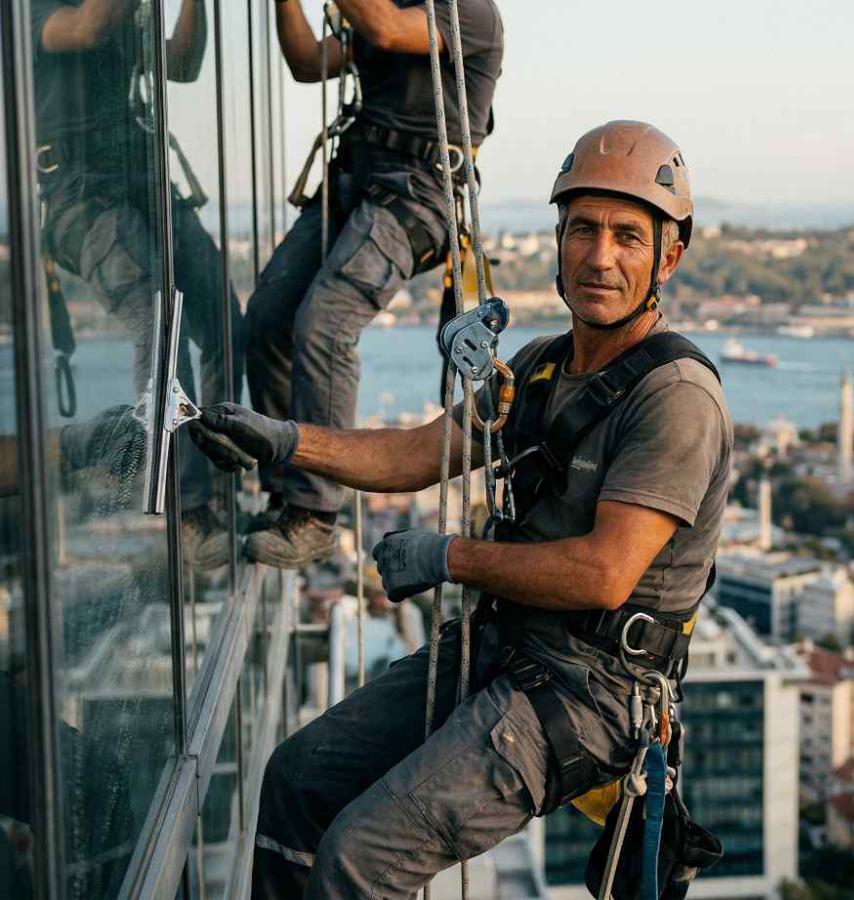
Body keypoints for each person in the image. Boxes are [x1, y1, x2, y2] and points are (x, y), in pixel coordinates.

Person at [189, 121, 731, 900]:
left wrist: (449, 558)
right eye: (583, 230)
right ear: (558, 238)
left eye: (627, 237)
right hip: (505, 646)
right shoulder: (543, 368)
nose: (600, 257)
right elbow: (419, 453)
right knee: (298, 778)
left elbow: (604, 573)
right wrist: (286, 442)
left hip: (587, 695)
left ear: (667, 257)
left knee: (361, 859)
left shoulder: (675, 399)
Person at [243, 0, 503, 567]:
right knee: (266, 318)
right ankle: (283, 491)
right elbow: (309, 63)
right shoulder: (380, 13)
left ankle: (315, 513)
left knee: (325, 322)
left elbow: (383, 28)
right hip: (357, 178)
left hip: (416, 192)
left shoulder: (468, 13)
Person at [31, 0, 243, 568]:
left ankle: (223, 469)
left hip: (140, 180)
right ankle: (190, 506)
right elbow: (87, 27)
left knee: (227, 323)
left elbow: (181, 63)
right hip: (81, 196)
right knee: (161, 325)